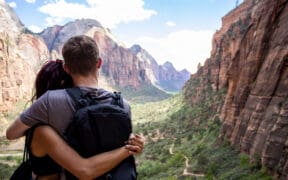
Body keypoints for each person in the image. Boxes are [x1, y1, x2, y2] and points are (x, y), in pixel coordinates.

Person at [6, 35, 144, 179]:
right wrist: (131, 148)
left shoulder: (49, 101)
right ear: (99, 63)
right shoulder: (123, 105)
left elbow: (11, 134)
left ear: (66, 68)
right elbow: (127, 146)